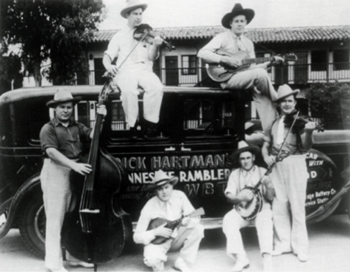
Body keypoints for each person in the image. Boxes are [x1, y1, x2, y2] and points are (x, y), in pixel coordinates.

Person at [39, 89, 107, 272]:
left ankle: (74, 256)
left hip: (75, 174)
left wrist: (101, 118)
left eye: (69, 107)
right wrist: (73, 165)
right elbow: (51, 152)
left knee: (72, 217)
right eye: (62, 107)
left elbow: (94, 137)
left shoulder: (77, 126)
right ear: (55, 108)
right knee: (55, 220)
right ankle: (53, 264)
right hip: (56, 173)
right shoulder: (49, 128)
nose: (66, 110)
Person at [197, 3, 283, 132]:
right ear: (230, 23)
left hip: (243, 77)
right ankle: (280, 101)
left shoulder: (248, 43)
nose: (239, 24)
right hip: (225, 79)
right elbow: (202, 53)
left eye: (242, 21)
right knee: (260, 76)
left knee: (262, 95)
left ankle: (272, 132)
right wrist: (224, 59)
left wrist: (270, 63)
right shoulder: (222, 38)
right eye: (236, 21)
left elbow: (252, 68)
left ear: (246, 23)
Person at [261, 84, 317, 262]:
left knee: (297, 206)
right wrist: (266, 157)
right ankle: (283, 244)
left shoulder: (300, 121)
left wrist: (308, 131)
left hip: (295, 163)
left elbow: (307, 146)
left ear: (294, 102)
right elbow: (265, 146)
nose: (286, 104)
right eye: (283, 101)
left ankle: (301, 247)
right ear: (279, 104)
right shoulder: (274, 122)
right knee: (279, 204)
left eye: (289, 101)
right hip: (277, 165)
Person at [103, 0, 164, 138]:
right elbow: (107, 56)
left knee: (157, 87)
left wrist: (155, 46)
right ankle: (133, 125)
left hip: (144, 70)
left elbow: (152, 57)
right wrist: (109, 66)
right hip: (125, 71)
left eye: (140, 14)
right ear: (127, 15)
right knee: (129, 90)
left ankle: (150, 125)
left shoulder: (146, 33)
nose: (138, 17)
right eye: (135, 14)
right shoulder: (118, 36)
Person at [133, 170, 204, 272]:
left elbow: (195, 215)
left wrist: (188, 221)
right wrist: (155, 232)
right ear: (155, 191)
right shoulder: (149, 206)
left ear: (172, 187)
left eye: (166, 187)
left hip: (176, 238)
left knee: (198, 228)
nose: (164, 192)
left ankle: (181, 261)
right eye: (160, 189)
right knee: (152, 260)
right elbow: (136, 237)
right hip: (158, 242)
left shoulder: (180, 196)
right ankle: (158, 261)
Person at [223, 141, 275, 272]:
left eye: (247, 158)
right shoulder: (235, 174)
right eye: (242, 159)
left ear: (253, 158)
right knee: (228, 219)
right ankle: (241, 259)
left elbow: (270, 197)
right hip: (243, 212)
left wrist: (268, 185)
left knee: (265, 220)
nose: (245, 161)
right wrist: (240, 198)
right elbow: (229, 196)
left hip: (261, 210)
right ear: (239, 160)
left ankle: (267, 259)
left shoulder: (263, 171)